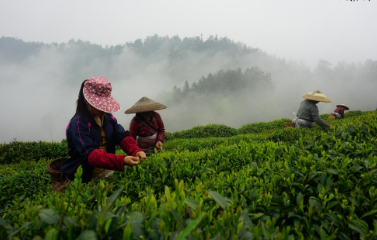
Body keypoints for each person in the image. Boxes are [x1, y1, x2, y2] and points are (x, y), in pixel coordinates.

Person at [61, 76, 147, 184]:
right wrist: (121, 161)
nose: (103, 109)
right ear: (86, 101)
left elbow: (122, 136)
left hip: (105, 172)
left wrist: (135, 150)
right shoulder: (78, 124)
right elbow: (91, 155)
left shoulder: (107, 118)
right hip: (82, 178)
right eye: (99, 105)